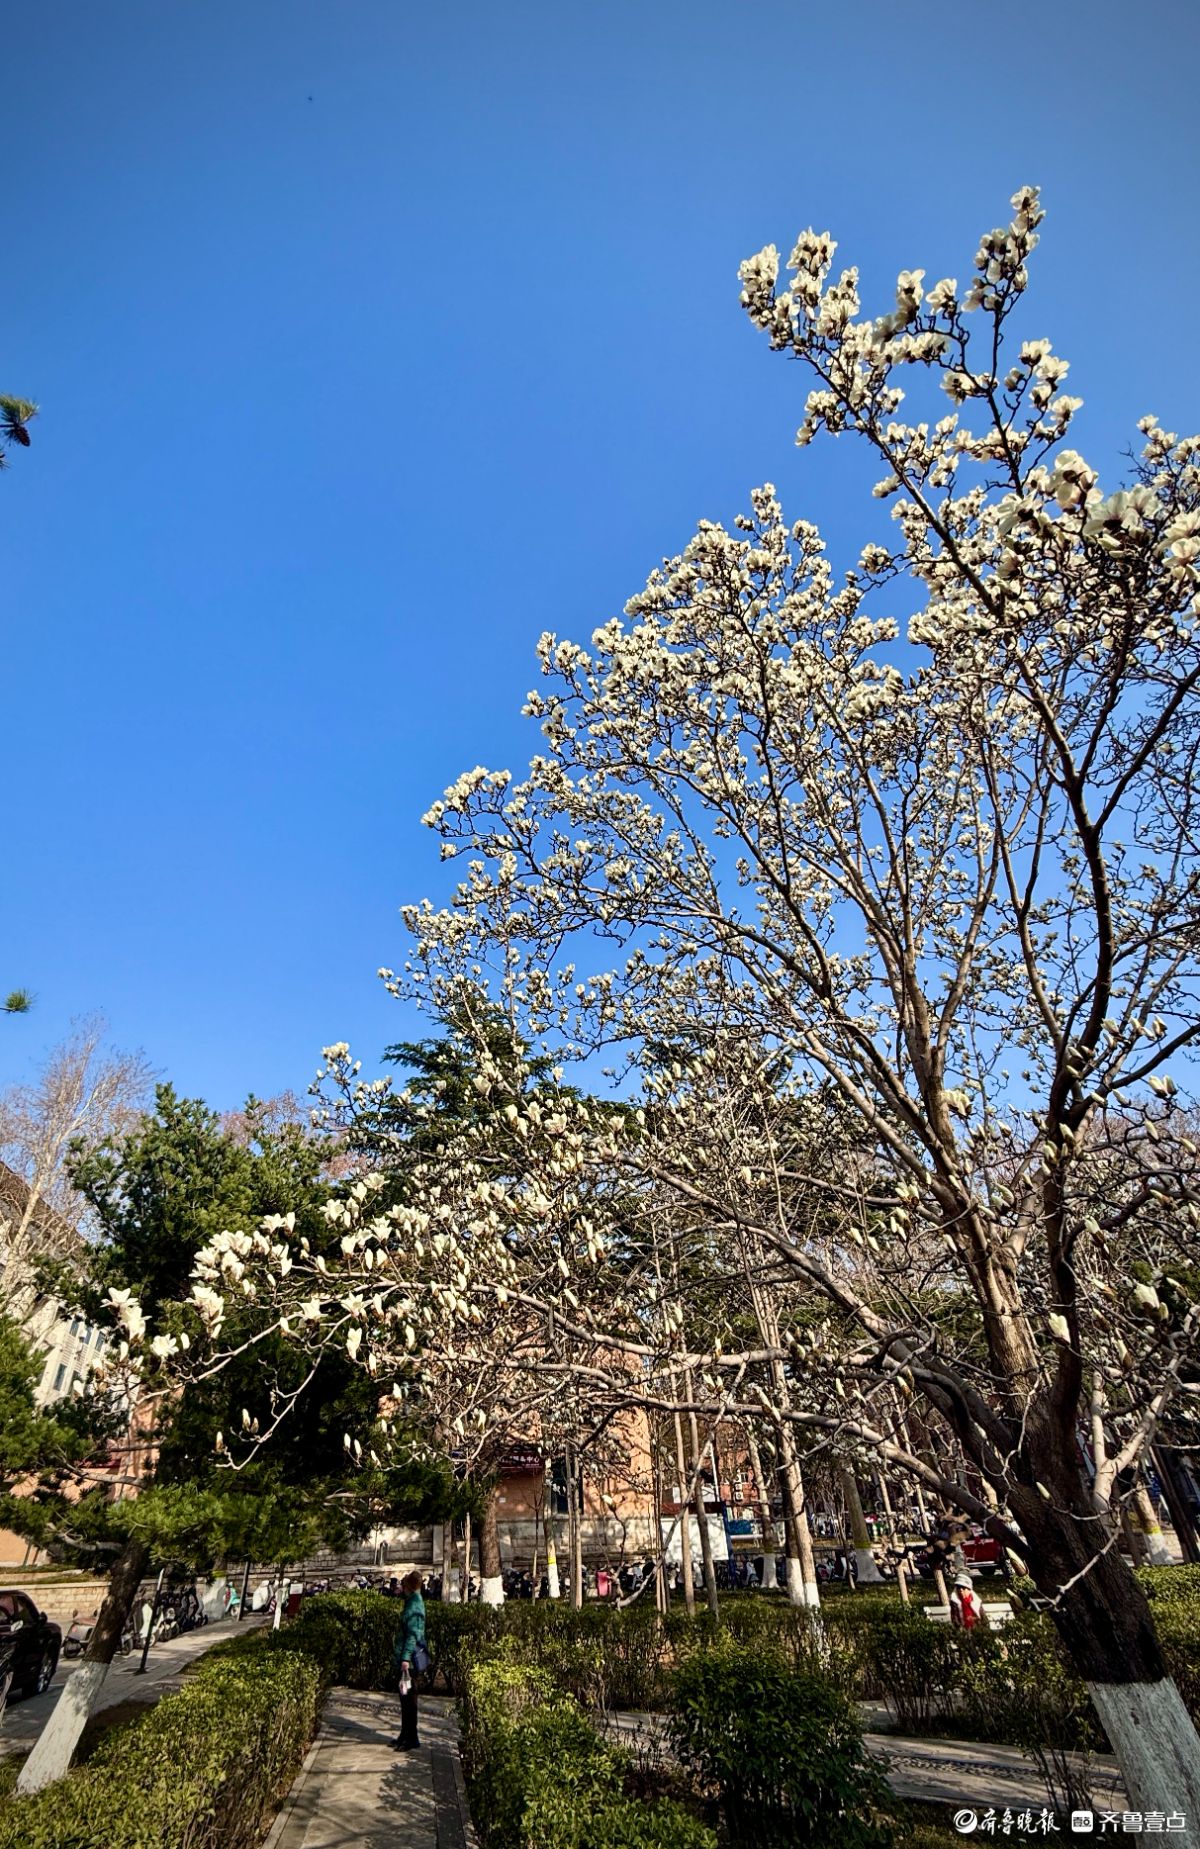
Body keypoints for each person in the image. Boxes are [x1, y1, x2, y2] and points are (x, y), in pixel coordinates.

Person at [391, 1571, 428, 1751]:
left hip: (410, 1661)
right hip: (407, 1659)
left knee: (409, 1700)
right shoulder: (412, 1602)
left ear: (409, 1586)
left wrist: (405, 1658)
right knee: (405, 1697)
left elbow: (413, 1634)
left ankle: (411, 1737)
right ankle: (405, 1734)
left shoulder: (414, 1605)